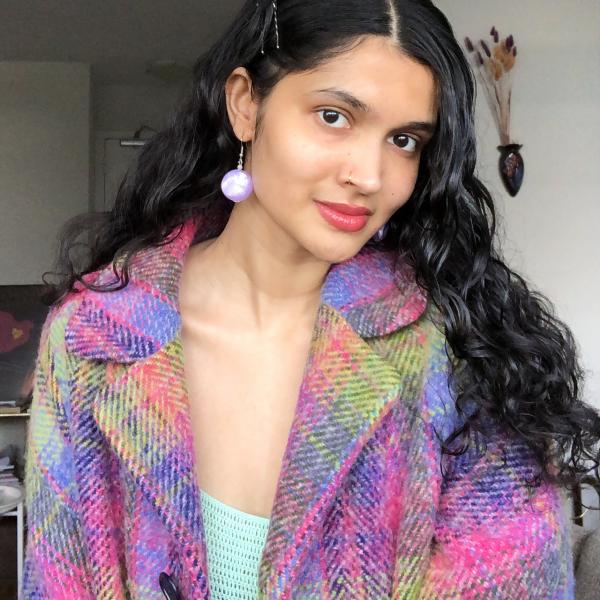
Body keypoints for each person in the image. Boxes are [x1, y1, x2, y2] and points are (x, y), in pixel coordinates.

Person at [22, 0, 600, 598]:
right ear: (247, 104)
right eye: (334, 116)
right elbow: (58, 577)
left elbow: (512, 580)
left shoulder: (460, 352)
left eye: (403, 139)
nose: (370, 174)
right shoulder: (95, 337)